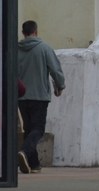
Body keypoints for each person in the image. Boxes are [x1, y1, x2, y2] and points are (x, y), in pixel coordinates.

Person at [16, 20, 65, 174]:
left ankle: (34, 163)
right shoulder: (44, 48)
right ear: (36, 31)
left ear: (23, 32)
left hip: (21, 96)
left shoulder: (16, 49)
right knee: (38, 129)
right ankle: (24, 151)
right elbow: (55, 70)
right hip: (39, 96)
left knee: (29, 128)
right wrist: (60, 85)